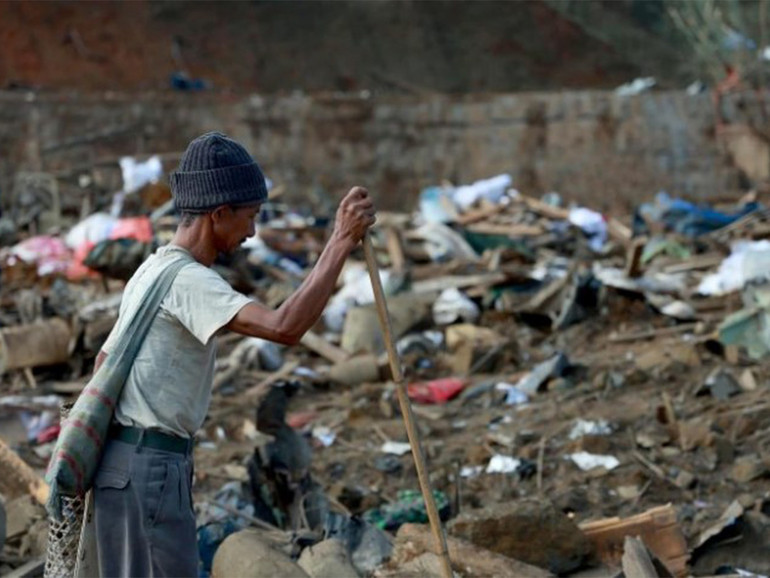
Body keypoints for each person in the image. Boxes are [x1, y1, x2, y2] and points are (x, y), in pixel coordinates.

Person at [91, 131, 376, 577]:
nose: (253, 231)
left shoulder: (153, 269)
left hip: (132, 465)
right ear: (219, 213)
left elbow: (102, 364)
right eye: (250, 216)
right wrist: (340, 242)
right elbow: (284, 327)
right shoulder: (188, 281)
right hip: (147, 469)